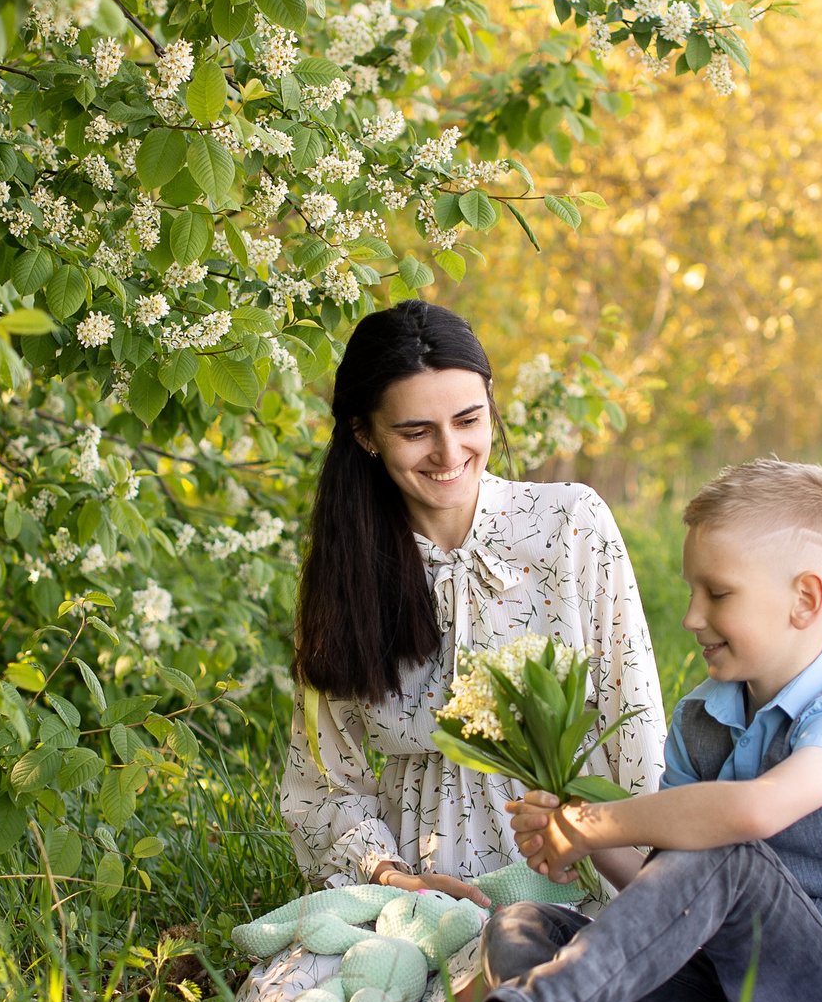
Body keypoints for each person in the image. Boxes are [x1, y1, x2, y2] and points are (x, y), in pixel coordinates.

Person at [451, 457, 822, 1002]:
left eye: (718, 593)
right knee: (522, 921)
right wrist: (581, 839)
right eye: (692, 592)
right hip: (724, 991)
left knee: (729, 852)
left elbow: (754, 814)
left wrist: (600, 820)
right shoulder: (702, 716)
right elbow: (671, 881)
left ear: (805, 599)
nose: (692, 617)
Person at [281, 300, 665, 916]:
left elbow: (636, 720)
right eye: (415, 432)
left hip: (573, 869)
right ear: (364, 434)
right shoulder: (343, 569)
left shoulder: (570, 523)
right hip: (413, 885)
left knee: (538, 983)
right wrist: (394, 880)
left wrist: (652, 883)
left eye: (468, 420)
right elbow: (324, 781)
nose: (449, 451)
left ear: (491, 405)